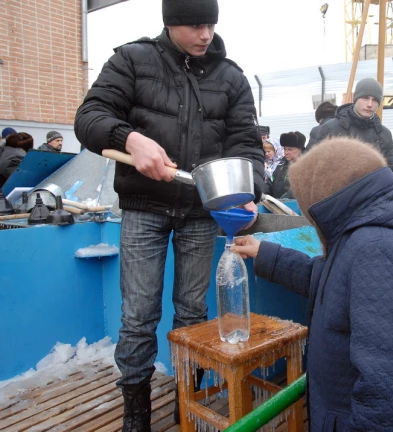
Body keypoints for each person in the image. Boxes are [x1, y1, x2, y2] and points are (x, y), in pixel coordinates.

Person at [73, 0, 264, 429]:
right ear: (170, 22)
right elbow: (89, 118)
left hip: (201, 212)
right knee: (138, 314)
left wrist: (249, 189)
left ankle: (186, 399)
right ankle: (136, 410)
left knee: (192, 313)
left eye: (211, 25)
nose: (205, 35)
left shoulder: (231, 77)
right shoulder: (132, 59)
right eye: (195, 25)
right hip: (144, 207)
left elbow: (247, 146)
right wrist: (129, 137)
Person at [233, 137, 393, 431]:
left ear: (325, 203)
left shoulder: (380, 250)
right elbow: (331, 283)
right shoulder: (374, 233)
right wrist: (265, 254)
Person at [309, 78, 393, 183]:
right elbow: (316, 170)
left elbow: (392, 170)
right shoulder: (331, 129)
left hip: (374, 196)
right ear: (355, 98)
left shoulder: (383, 134)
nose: (369, 104)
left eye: (375, 100)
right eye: (365, 98)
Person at [265, 132, 304, 199]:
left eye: (290, 149)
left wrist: (283, 200)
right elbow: (271, 182)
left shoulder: (305, 167)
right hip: (277, 205)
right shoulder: (281, 165)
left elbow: (299, 189)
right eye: (285, 149)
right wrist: (263, 193)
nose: (286, 152)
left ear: (300, 149)